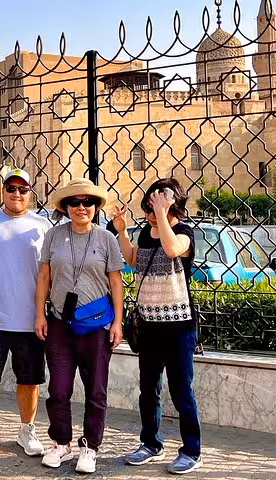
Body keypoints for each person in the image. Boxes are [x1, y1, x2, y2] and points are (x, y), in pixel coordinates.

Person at [113, 177, 203, 475]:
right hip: (149, 325)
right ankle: (150, 443)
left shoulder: (183, 232)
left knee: (181, 390)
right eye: (149, 206)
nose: (152, 212)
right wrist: (123, 232)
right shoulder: (146, 234)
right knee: (148, 389)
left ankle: (191, 450)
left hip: (178, 327)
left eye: (158, 205)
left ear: (173, 205)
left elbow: (173, 249)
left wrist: (164, 217)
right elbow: (133, 260)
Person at [35, 178, 124, 474]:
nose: (81, 207)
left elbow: (115, 282)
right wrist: (39, 315)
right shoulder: (54, 236)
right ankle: (62, 442)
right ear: (66, 207)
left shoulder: (106, 239)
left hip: (96, 326)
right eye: (75, 202)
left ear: (95, 207)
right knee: (58, 389)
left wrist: (118, 323)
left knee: (95, 390)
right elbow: (44, 277)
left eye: (88, 202)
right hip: (60, 322)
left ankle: (90, 446)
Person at [0, 169, 51, 457]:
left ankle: (27, 429)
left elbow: (48, 273)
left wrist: (42, 313)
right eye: (11, 188)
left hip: (30, 320)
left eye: (23, 189)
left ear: (31, 192)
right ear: (2, 190)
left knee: (29, 380)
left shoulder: (42, 226)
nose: (16, 194)